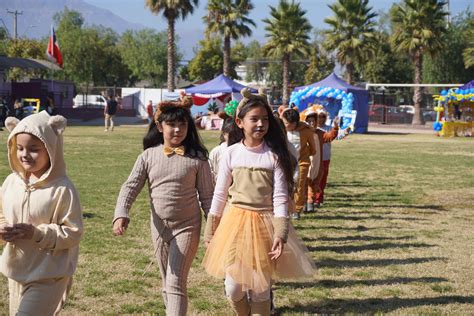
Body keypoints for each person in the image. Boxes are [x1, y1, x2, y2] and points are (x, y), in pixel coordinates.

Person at [202, 88, 315, 315]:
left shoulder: (274, 155)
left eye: (265, 119)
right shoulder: (231, 153)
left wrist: (280, 233)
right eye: (254, 119)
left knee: (261, 289)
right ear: (240, 122)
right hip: (234, 223)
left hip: (265, 223)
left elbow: (281, 197)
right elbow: (220, 193)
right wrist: (211, 227)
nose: (260, 124)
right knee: (233, 287)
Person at [112, 96, 214, 316]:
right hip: (159, 228)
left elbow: (208, 198)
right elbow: (129, 187)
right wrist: (121, 213)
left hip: (187, 227)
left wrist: (213, 226)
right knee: (167, 280)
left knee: (176, 280)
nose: (177, 130)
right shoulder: (147, 156)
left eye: (182, 124)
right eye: (171, 124)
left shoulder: (198, 160)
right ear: (159, 126)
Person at [0, 111, 83, 315]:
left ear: (51, 149)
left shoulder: (63, 189)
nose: (25, 154)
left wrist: (37, 234)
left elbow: (73, 232)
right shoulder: (11, 182)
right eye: (19, 148)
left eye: (34, 149)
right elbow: (1, 213)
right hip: (17, 270)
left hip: (49, 275)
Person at [280, 108, 316, 219]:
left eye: (287, 124)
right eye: (284, 122)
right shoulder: (281, 130)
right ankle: (285, 207)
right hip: (286, 162)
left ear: (294, 123)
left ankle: (297, 209)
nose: (285, 125)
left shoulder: (306, 131)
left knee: (299, 186)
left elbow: (313, 149)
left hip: (302, 163)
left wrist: (304, 154)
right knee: (285, 185)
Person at [209, 117, 233, 181]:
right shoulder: (216, 151)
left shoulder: (241, 150)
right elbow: (210, 171)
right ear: (224, 134)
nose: (233, 138)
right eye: (230, 135)